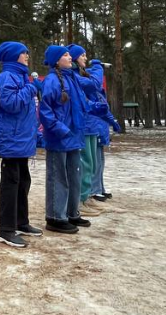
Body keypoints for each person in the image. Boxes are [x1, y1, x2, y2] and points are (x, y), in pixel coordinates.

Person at [0, 41, 42, 248]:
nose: (27, 56)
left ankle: (21, 222)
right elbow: (10, 104)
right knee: (10, 185)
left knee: (23, 182)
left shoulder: (21, 76)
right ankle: (5, 229)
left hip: (22, 139)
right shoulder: (7, 77)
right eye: (24, 52)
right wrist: (31, 88)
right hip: (11, 140)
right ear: (14, 56)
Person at [38, 45, 90, 234]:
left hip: (74, 136)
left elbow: (81, 104)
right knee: (58, 177)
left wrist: (97, 109)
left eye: (69, 54)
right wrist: (60, 130)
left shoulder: (73, 78)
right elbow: (45, 111)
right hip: (59, 138)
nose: (70, 57)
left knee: (74, 176)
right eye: (65, 55)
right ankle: (55, 217)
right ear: (56, 60)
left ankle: (71, 212)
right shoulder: (52, 80)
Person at [67, 44, 117, 216]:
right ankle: (80, 200)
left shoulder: (80, 74)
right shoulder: (73, 77)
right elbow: (94, 85)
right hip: (83, 126)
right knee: (85, 164)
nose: (85, 59)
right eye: (82, 55)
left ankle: (86, 197)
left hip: (91, 126)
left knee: (91, 163)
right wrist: (97, 68)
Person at [87, 58, 119, 201]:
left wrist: (112, 122)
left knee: (100, 161)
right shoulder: (90, 90)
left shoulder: (99, 92)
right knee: (94, 162)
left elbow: (105, 110)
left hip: (100, 128)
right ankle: (93, 190)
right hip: (93, 127)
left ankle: (99, 187)